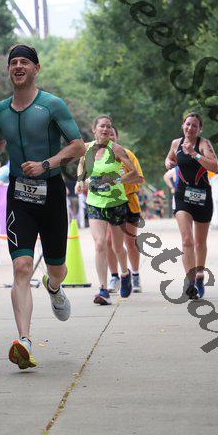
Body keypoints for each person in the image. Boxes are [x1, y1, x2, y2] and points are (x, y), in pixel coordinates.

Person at [0, 44, 85, 370]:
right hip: (18, 196)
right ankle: (24, 341)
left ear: (37, 68)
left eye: (24, 62)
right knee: (21, 267)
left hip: (50, 194)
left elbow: (78, 145)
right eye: (13, 63)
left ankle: (54, 287)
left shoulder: (52, 105)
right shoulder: (1, 109)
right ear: (9, 70)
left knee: (56, 267)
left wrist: (46, 163)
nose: (18, 66)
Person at [75, 115, 140, 305]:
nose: (106, 130)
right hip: (95, 202)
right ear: (94, 129)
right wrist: (80, 182)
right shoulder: (86, 148)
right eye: (102, 126)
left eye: (108, 127)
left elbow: (134, 173)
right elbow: (81, 165)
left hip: (116, 203)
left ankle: (125, 274)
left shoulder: (117, 149)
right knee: (100, 244)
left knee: (117, 247)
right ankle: (103, 290)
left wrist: (116, 180)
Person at [165, 112, 218, 299]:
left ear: (200, 129)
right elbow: (170, 158)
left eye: (195, 125)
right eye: (188, 124)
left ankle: (199, 275)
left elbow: (215, 167)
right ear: (183, 125)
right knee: (187, 240)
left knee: (199, 243)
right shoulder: (176, 143)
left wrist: (194, 154)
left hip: (202, 197)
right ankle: (190, 283)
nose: (190, 128)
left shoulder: (203, 144)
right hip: (182, 196)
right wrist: (168, 162)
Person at [105, 125, 145, 298]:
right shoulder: (99, 158)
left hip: (129, 202)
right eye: (107, 135)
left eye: (112, 135)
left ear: (117, 137)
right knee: (109, 241)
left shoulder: (127, 155)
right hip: (109, 203)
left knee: (130, 241)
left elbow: (139, 178)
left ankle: (135, 275)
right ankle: (115, 276)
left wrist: (120, 182)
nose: (110, 137)